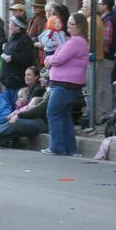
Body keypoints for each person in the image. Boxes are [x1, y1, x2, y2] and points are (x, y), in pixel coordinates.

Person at [42, 13, 88, 156]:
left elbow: (59, 59)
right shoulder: (76, 41)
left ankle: (57, 146)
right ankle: (69, 148)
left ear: (79, 26)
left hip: (64, 84)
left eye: (71, 24)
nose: (68, 25)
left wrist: (48, 58)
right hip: (68, 84)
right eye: (68, 23)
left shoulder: (76, 42)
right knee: (64, 115)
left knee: (53, 112)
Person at [0, 13, 36, 109]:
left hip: (16, 80)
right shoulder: (12, 37)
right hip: (8, 79)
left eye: (11, 24)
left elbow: (27, 57)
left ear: (18, 27)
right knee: (6, 107)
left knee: (17, 106)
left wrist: (13, 58)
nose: (9, 26)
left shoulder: (25, 40)